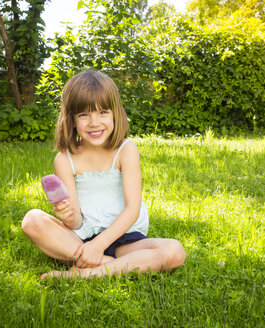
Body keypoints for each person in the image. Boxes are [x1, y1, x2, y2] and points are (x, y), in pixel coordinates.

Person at [21, 70, 186, 279]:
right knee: (31, 220)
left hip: (125, 240)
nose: (94, 122)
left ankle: (84, 273)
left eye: (102, 112)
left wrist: (100, 244)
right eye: (83, 114)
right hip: (80, 241)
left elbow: (132, 209)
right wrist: (69, 217)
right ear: (71, 119)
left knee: (175, 251)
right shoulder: (64, 159)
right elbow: (77, 222)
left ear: (115, 113)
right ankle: (115, 265)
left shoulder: (126, 149)